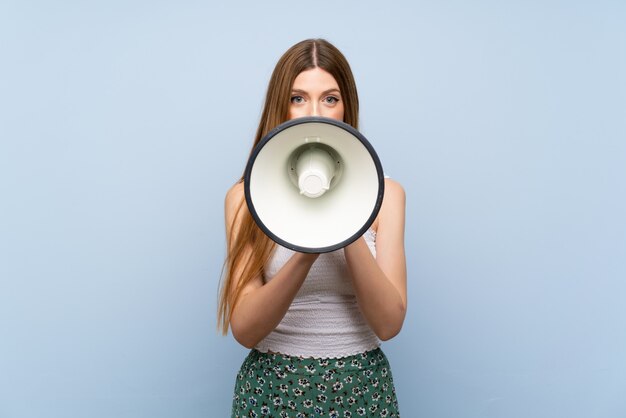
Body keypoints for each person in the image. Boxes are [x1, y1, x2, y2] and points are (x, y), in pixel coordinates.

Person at [218, 38, 407, 417]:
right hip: (274, 389)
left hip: (361, 389)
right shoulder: (244, 199)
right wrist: (305, 247)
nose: (314, 112)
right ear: (280, 107)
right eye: (298, 97)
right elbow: (245, 329)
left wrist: (345, 220)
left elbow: (388, 323)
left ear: (346, 107)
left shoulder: (387, 196)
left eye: (330, 98)